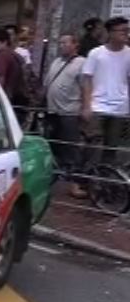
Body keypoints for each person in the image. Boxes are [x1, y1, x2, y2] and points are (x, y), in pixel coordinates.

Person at [81, 16, 130, 167]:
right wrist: (86, 105)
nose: (126, 34)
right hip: (97, 107)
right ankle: (85, 181)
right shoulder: (96, 53)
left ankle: (104, 183)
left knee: (111, 149)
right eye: (123, 31)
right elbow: (86, 79)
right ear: (110, 32)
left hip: (120, 108)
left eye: (127, 30)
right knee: (92, 147)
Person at [43, 33, 87, 196]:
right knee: (53, 146)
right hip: (52, 111)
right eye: (60, 43)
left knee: (71, 149)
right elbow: (48, 82)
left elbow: (85, 87)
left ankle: (74, 183)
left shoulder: (81, 63)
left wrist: (85, 108)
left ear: (76, 44)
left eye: (66, 43)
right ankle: (53, 177)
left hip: (70, 112)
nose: (62, 45)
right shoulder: (56, 62)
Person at [0, 27, 28, 106]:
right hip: (20, 97)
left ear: (5, 42)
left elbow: (0, 80)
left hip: (8, 98)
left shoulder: (3, 56)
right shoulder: (16, 55)